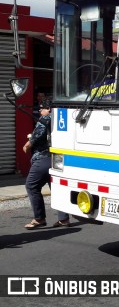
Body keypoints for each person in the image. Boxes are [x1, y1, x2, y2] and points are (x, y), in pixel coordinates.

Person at [23, 97, 70, 229]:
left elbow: (38, 134)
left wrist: (28, 144)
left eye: (42, 108)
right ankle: (64, 219)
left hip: (43, 158)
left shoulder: (44, 120)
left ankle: (39, 218)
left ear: (48, 109)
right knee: (56, 187)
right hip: (58, 158)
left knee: (31, 185)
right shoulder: (62, 119)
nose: (40, 110)